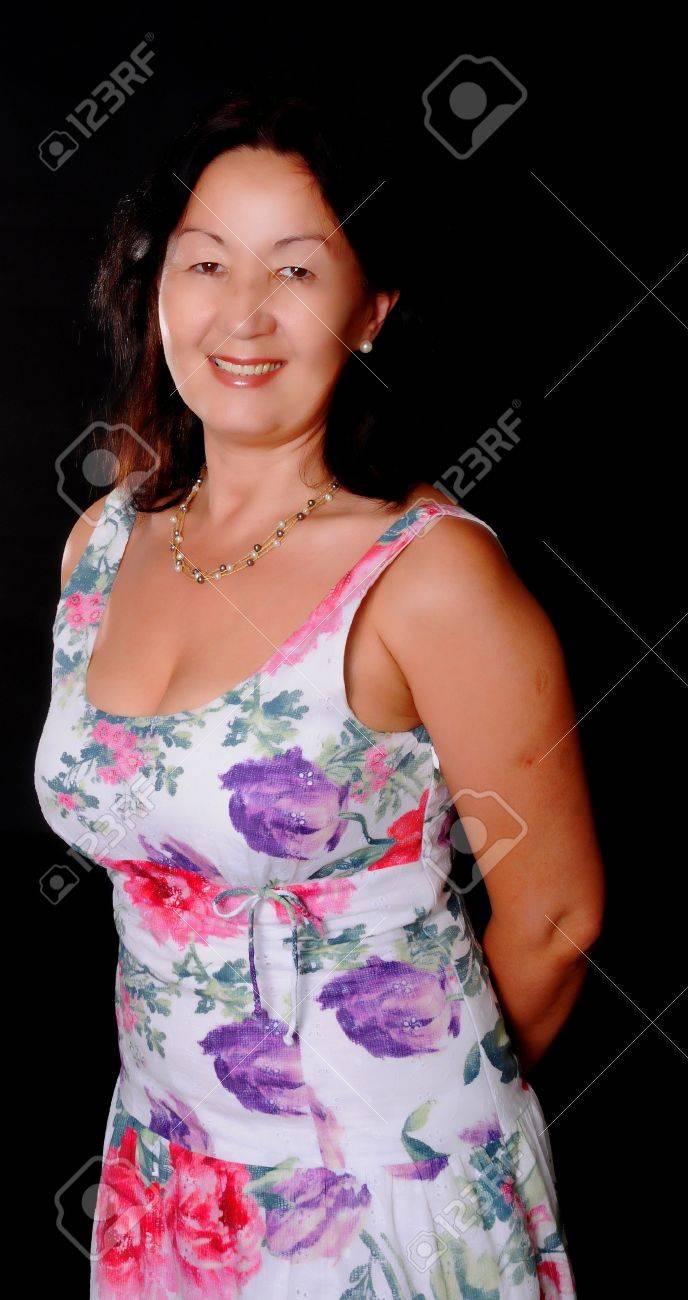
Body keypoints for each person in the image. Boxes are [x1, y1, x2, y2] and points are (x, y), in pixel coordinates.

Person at [34, 86, 604, 1298]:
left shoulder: (429, 577)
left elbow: (556, 918)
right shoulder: (102, 542)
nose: (242, 314)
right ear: (155, 286)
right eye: (206, 262)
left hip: (383, 1197)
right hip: (167, 1177)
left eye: (295, 270)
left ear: (370, 309)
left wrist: (420, 1125)